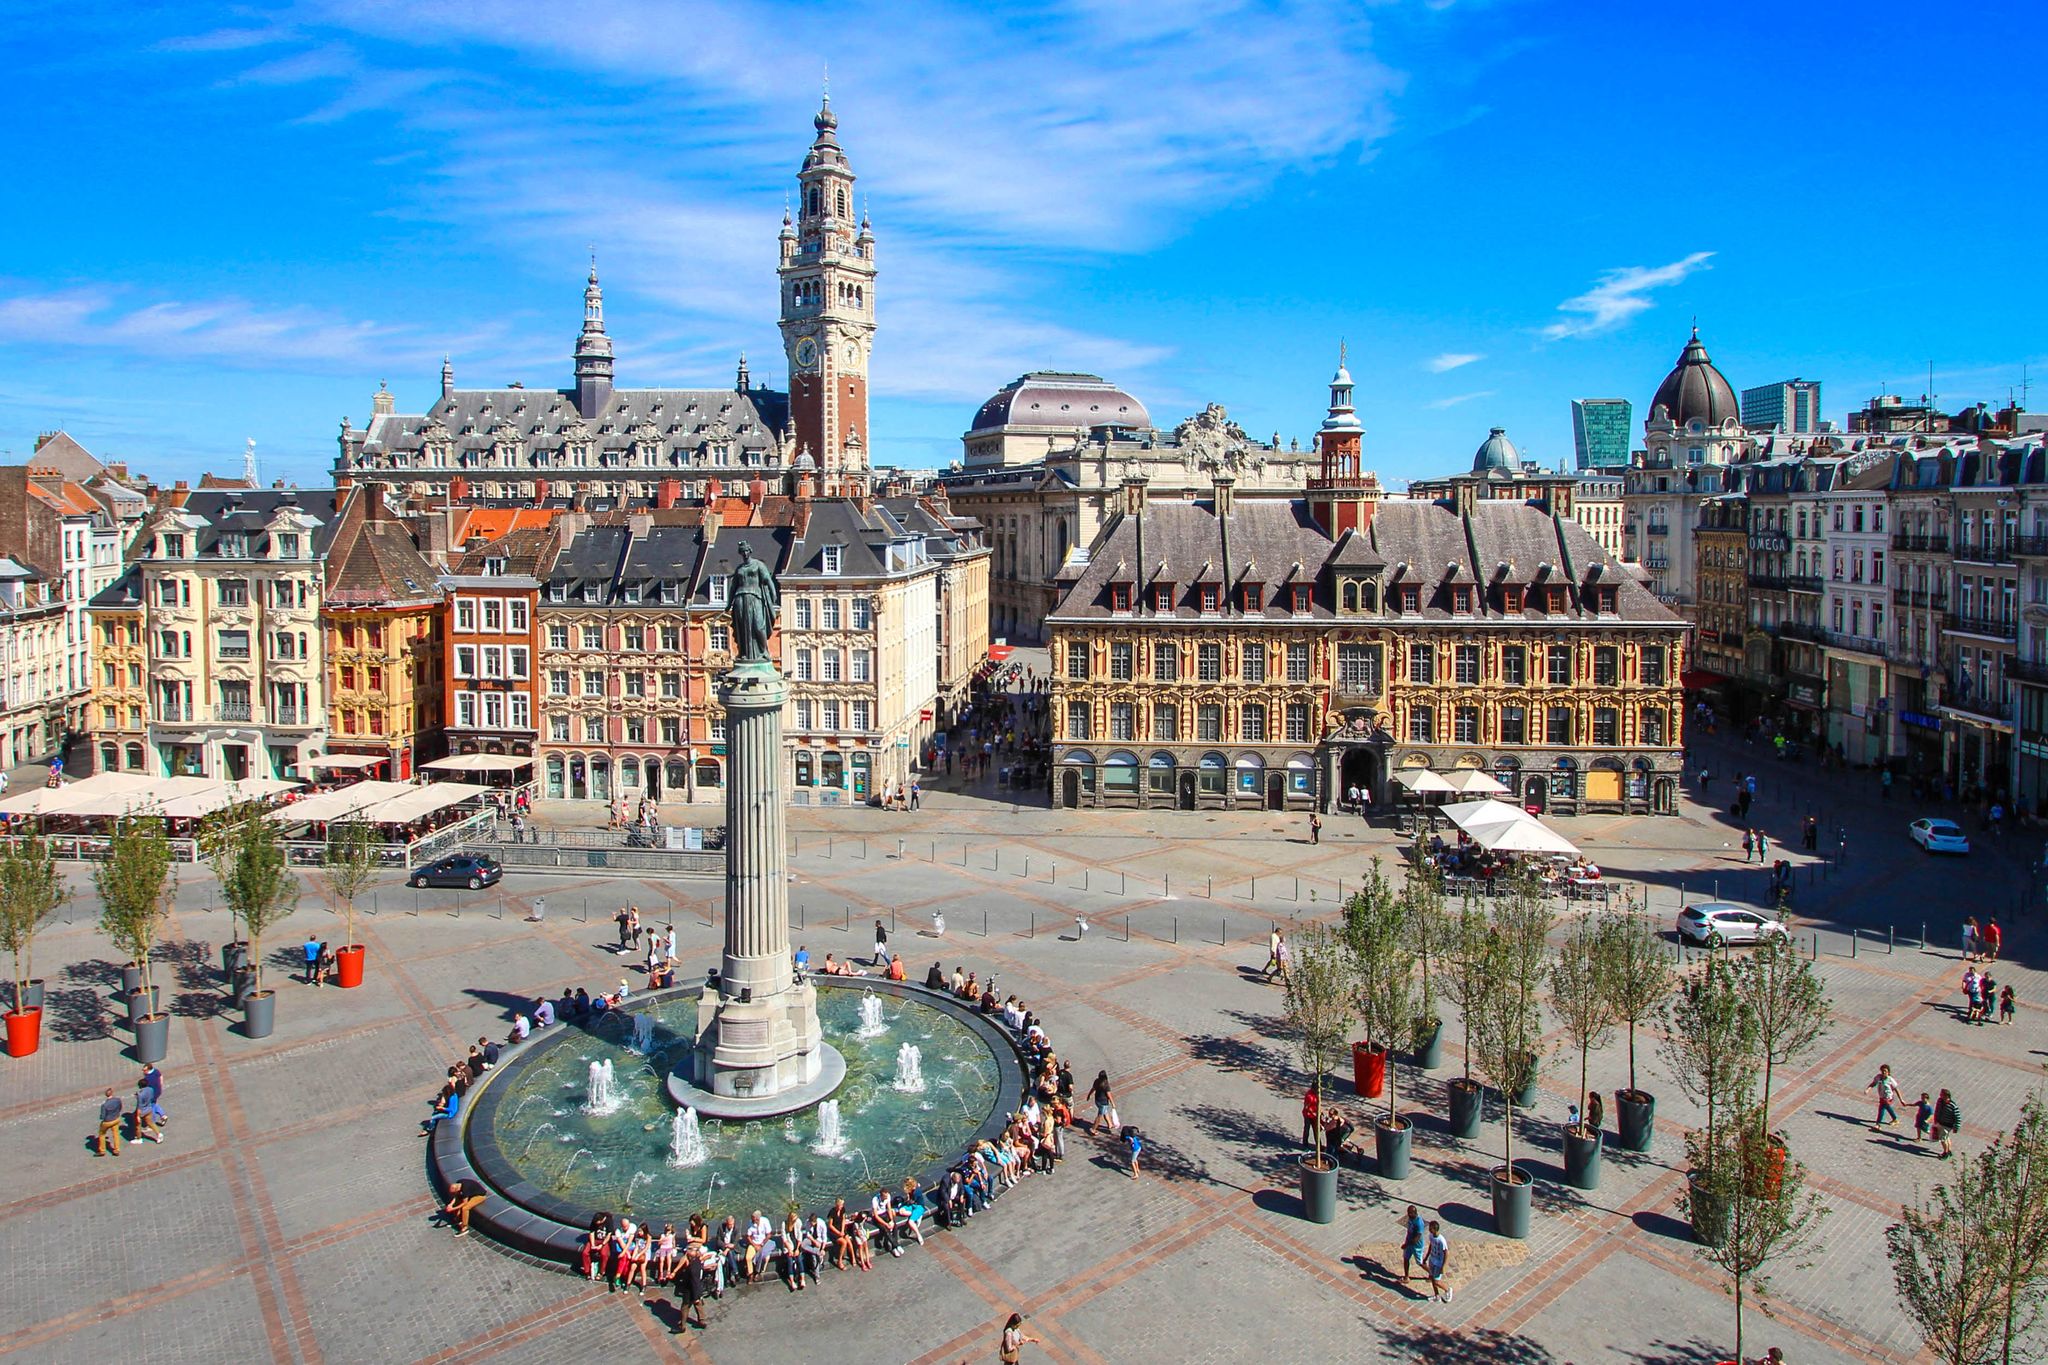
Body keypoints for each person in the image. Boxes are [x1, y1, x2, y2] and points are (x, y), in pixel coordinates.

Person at [1424, 1220, 1452, 1303]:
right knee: (1432, 1278)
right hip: (1432, 1260)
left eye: (1431, 1228)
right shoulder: (1431, 1236)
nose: (1429, 1230)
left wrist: (1444, 1266)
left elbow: (1446, 1253)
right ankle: (1437, 1296)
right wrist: (1426, 1257)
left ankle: (1447, 1290)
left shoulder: (1441, 1240)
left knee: (1437, 1281)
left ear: (1435, 1229)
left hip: (1438, 1263)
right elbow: (1431, 1246)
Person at [1869, 1064, 1901, 1128]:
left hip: (1888, 1097)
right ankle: (1895, 1119)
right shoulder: (1878, 1077)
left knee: (1881, 1109)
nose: (1884, 1072)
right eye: (1882, 1071)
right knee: (1887, 1108)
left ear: (1888, 1072)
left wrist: (1901, 1099)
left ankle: (1878, 1124)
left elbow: (1896, 1089)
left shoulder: (1890, 1080)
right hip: (1882, 1097)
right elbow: (1874, 1083)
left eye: (1885, 1071)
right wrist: (1868, 1089)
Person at [1401, 1204, 1427, 1281]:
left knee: (1420, 1262)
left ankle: (1431, 1274)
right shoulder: (1410, 1219)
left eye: (1409, 1213)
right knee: (1406, 1258)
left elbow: (1417, 1238)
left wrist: (1406, 1244)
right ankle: (1406, 1277)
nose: (1408, 1214)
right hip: (1409, 1243)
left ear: (1414, 1213)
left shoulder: (1419, 1223)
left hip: (1416, 1246)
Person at [1934, 1089, 1962, 1158]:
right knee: (1946, 1137)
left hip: (1947, 1125)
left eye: (1942, 1094)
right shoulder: (1940, 1101)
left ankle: (1945, 1153)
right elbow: (1937, 1110)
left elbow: (1958, 1118)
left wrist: (1956, 1128)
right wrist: (1935, 1119)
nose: (1940, 1095)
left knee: (1942, 1139)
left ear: (1946, 1096)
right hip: (1940, 1122)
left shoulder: (1953, 1106)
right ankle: (1949, 1150)